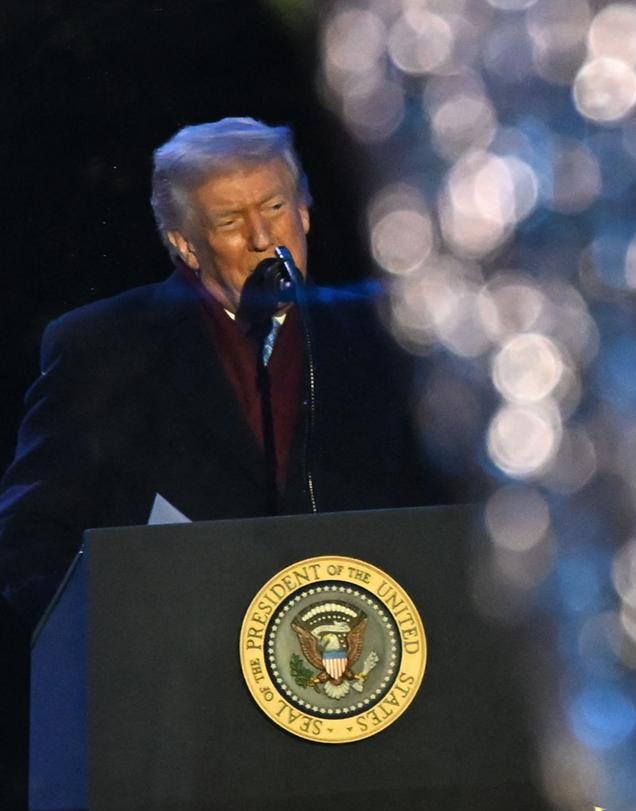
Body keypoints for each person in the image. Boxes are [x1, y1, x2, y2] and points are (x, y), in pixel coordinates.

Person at [0, 117, 448, 626]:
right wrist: (120, 638)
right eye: (231, 221)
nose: (263, 237)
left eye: (275, 208)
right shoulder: (104, 347)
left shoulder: (388, 334)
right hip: (182, 675)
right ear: (186, 245)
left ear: (304, 213)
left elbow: (453, 506)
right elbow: (31, 536)